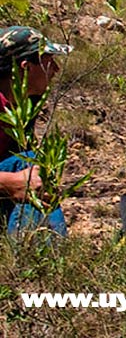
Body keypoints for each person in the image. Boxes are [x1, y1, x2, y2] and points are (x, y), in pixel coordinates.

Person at [0, 26, 72, 236]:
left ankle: (37, 247)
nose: (56, 69)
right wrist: (11, 183)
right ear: (26, 67)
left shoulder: (25, 106)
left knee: (33, 167)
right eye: (48, 61)